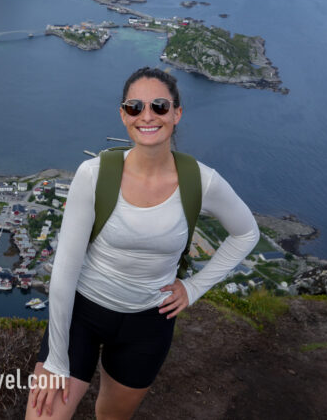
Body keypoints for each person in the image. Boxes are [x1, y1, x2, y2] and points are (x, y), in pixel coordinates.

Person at [26, 67, 259, 419]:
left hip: (148, 324)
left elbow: (247, 233)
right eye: (135, 107)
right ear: (123, 115)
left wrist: (194, 288)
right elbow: (64, 271)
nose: (147, 115)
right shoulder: (94, 175)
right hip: (83, 315)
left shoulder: (202, 181)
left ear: (177, 114)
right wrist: (57, 359)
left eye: (160, 106)